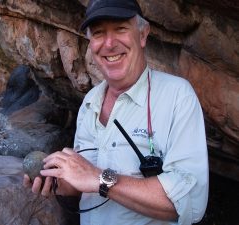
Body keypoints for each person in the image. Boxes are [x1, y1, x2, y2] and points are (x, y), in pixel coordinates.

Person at [23, 0, 209, 224]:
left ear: (142, 35)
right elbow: (86, 184)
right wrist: (60, 182)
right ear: (91, 43)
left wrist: (101, 179)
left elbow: (190, 203)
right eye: (99, 33)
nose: (109, 44)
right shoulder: (90, 102)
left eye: (120, 29)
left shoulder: (177, 96)